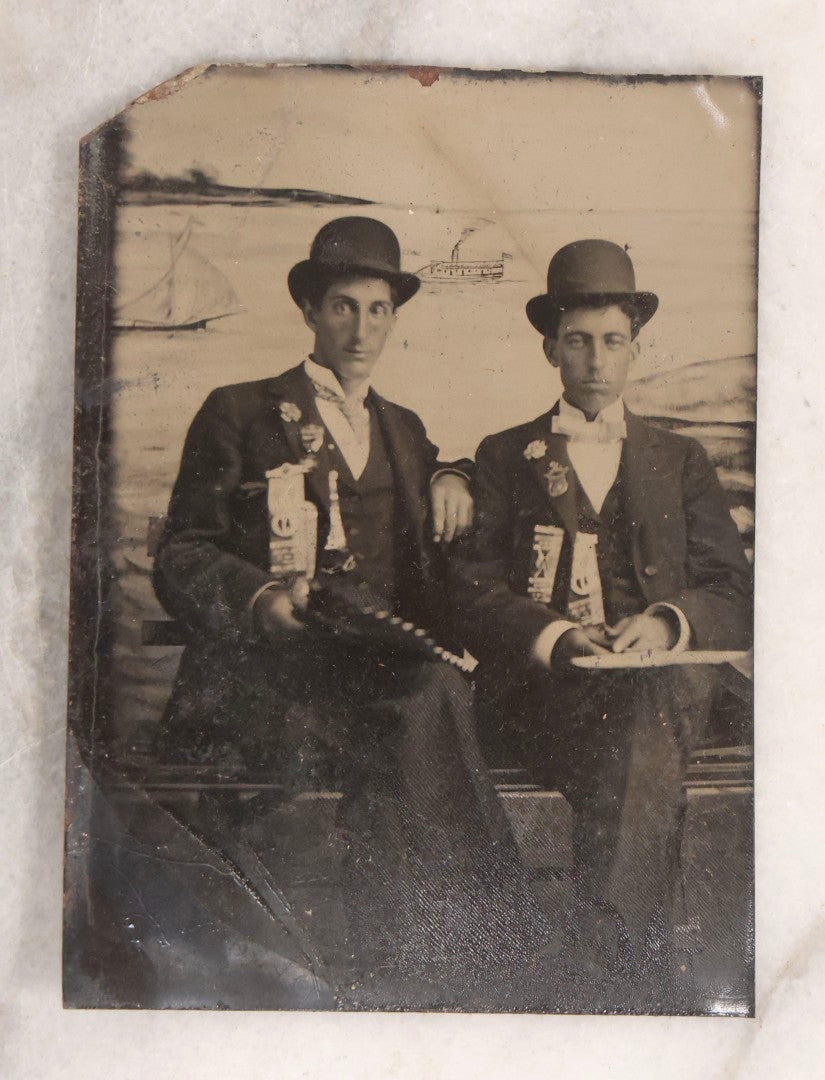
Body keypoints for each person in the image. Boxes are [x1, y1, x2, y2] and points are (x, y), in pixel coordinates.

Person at [152, 216, 550, 1009]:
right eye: (342, 306)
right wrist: (262, 601)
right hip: (270, 676)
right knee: (423, 704)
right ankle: (478, 940)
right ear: (308, 309)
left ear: (393, 317)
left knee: (427, 694)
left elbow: (434, 507)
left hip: (370, 674)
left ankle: (421, 959)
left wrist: (456, 474)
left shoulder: (402, 429)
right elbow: (181, 555)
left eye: (377, 310)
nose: (361, 328)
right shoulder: (239, 411)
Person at [451, 239, 752, 1007]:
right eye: (578, 341)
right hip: (549, 695)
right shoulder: (502, 456)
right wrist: (552, 636)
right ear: (550, 348)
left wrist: (663, 622)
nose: (595, 359)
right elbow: (471, 588)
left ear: (634, 350)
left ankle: (601, 971)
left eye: (611, 341)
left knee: (650, 708)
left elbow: (729, 585)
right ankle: (622, 979)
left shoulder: (679, 459)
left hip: (663, 687)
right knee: (634, 752)